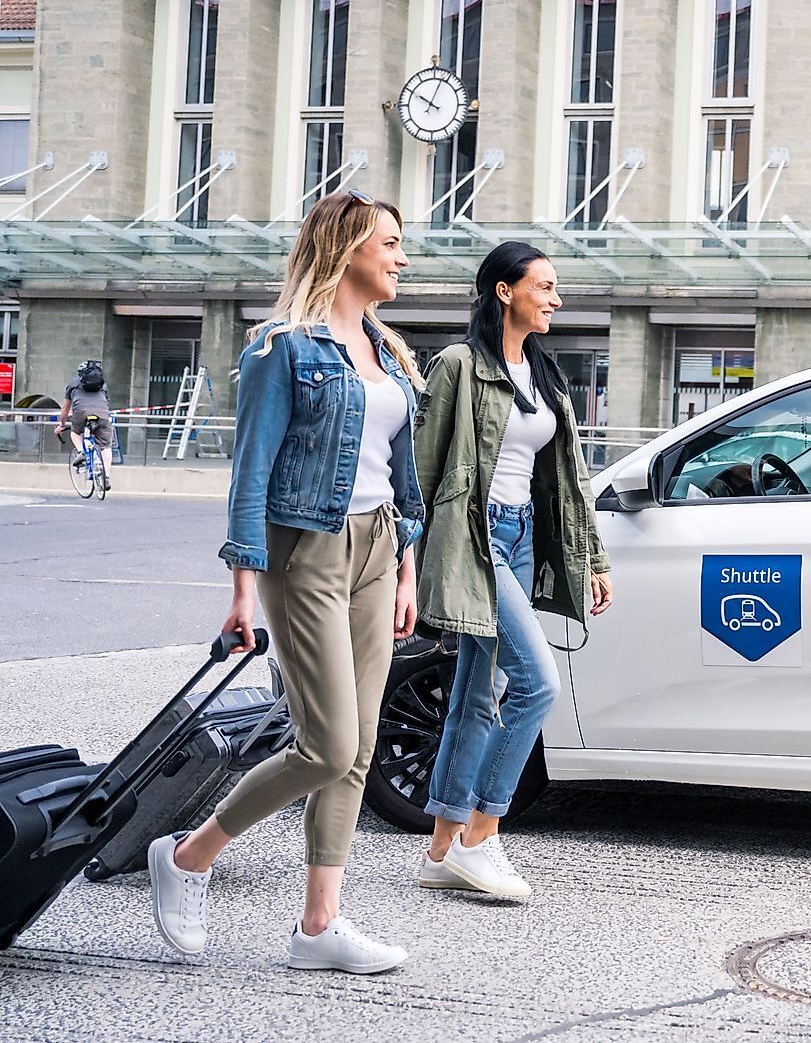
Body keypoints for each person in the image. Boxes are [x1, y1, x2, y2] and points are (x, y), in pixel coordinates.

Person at [146, 189, 426, 973]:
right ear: (346, 248)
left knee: (361, 746)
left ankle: (318, 926)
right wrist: (242, 587)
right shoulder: (282, 348)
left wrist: (405, 565)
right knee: (328, 742)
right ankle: (190, 854)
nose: (403, 257)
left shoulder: (387, 351)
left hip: (377, 548)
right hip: (303, 547)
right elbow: (251, 472)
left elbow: (399, 475)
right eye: (391, 243)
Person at [413, 242, 612, 900]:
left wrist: (592, 559)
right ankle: (481, 833)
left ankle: (441, 848)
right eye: (544, 286)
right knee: (537, 682)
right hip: (477, 537)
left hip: (524, 536)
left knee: (478, 693)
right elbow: (421, 474)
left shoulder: (544, 372)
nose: (555, 298)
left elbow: (572, 479)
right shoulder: (459, 366)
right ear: (505, 291)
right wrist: (406, 567)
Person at [60, 358, 115, 468]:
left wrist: (62, 424)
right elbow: (106, 401)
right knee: (106, 446)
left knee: (75, 432)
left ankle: (81, 452)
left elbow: (65, 408)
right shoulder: (102, 384)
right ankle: (106, 477)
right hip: (102, 413)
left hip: (81, 413)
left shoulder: (73, 383)